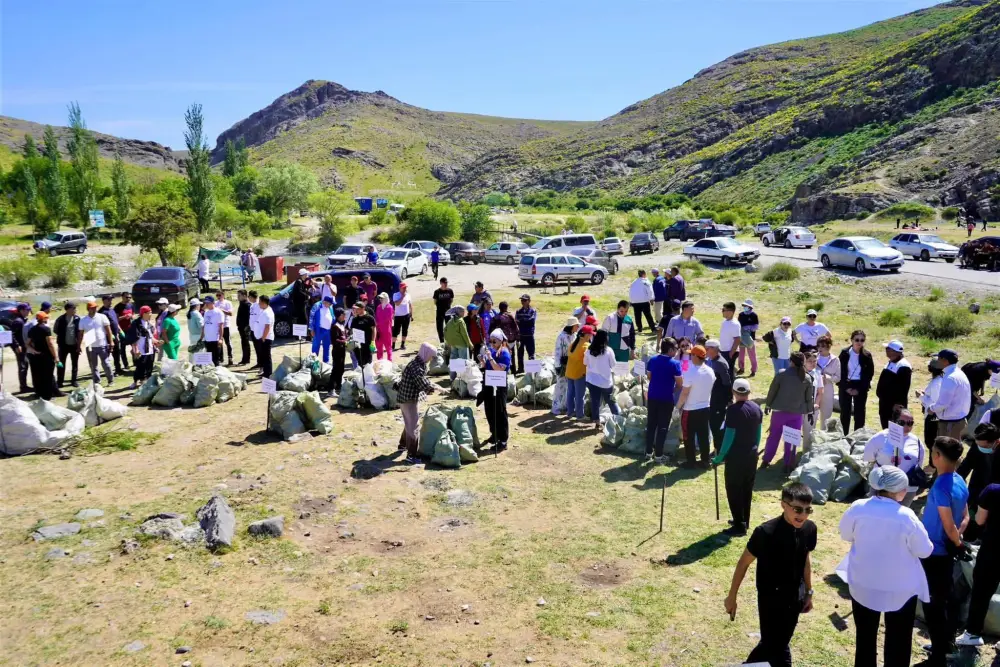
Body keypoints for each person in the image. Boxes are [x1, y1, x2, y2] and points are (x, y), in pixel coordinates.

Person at [838, 466, 933, 667]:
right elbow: (925, 550)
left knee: (865, 637)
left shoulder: (858, 507)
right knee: (898, 641)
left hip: (863, 584)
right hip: (899, 590)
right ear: (898, 490)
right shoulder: (906, 516)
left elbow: (845, 534)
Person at [723, 483, 816, 667]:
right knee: (777, 645)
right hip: (770, 598)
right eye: (797, 509)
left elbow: (805, 559)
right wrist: (732, 596)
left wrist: (809, 592)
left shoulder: (809, 529)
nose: (803, 515)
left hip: (795, 596)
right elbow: (743, 563)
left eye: (808, 510)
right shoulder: (765, 532)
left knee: (775, 642)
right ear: (783, 505)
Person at [920, 436, 970, 667]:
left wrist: (956, 542)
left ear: (938, 456)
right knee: (944, 599)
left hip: (935, 553)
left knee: (934, 607)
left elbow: (948, 523)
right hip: (946, 551)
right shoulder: (959, 480)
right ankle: (945, 644)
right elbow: (965, 517)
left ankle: (938, 656)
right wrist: (958, 538)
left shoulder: (941, 485)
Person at [712, 378, 764, 535]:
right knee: (747, 488)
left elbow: (729, 436)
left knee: (733, 489)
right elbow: (758, 434)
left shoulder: (733, 411)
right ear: (748, 392)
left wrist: (719, 457)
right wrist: (754, 448)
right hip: (751, 454)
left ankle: (739, 526)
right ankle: (743, 520)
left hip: (736, 457)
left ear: (734, 392)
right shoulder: (756, 408)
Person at [955, 475, 1000, 647]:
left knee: (981, 592)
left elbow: (980, 520)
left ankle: (973, 633)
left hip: (992, 550)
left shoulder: (993, 491)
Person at [763, 352, 815, 473]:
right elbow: (809, 398)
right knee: (791, 439)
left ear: (791, 361)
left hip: (779, 412)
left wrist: (768, 405)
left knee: (773, 436)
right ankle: (788, 464)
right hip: (796, 414)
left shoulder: (781, 374)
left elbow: (772, 391)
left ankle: (766, 460)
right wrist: (810, 412)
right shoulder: (807, 378)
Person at [862, 408, 925, 505]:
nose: (907, 426)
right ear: (894, 421)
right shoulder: (880, 437)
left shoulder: (916, 441)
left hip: (906, 489)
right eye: (902, 422)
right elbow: (869, 457)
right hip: (882, 486)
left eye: (910, 423)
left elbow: (919, 462)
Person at [398, 342, 439, 463]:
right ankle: (412, 455)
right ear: (426, 354)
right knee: (413, 426)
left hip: (404, 397)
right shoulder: (417, 367)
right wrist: (432, 389)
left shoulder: (418, 362)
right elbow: (421, 382)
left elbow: (423, 380)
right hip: (408, 399)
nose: (432, 359)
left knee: (408, 422)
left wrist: (433, 386)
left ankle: (402, 445)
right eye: (431, 356)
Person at [957, 422, 999, 542]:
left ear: (995, 442)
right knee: (971, 526)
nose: (980, 448)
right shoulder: (978, 445)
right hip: (976, 492)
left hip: (994, 497)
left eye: (984, 447)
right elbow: (966, 465)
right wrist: (955, 481)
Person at [677, 344, 715, 469]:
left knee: (688, 436)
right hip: (705, 407)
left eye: (691, 354)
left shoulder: (690, 372)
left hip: (690, 409)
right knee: (703, 435)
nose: (689, 356)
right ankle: (705, 460)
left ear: (695, 356)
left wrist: (677, 407)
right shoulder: (710, 371)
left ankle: (691, 461)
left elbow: (684, 392)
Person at [645, 337, 682, 463]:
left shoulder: (653, 359)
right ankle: (659, 455)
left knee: (651, 425)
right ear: (671, 349)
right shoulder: (675, 364)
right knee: (662, 427)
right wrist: (672, 390)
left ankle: (648, 452)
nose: (677, 350)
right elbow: (679, 383)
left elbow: (649, 376)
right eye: (676, 348)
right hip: (666, 398)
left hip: (652, 396)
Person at [927, 349, 971, 442]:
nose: (937, 360)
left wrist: (931, 409)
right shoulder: (959, 373)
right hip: (958, 421)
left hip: (950, 424)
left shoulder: (950, 378)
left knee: (947, 452)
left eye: (938, 358)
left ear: (945, 361)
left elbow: (943, 404)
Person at [838, 329, 875, 434]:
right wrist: (846, 387)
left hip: (860, 385)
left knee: (859, 413)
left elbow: (869, 374)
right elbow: (840, 371)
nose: (859, 342)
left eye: (862, 340)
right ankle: (844, 435)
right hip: (846, 384)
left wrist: (859, 389)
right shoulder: (844, 353)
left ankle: (858, 437)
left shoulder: (867, 355)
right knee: (845, 412)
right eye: (857, 340)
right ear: (852, 340)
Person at [480, 329, 511, 452]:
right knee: (490, 411)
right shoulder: (492, 351)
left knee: (500, 412)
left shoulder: (504, 353)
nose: (492, 344)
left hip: (499, 386)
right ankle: (494, 434)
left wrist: (489, 358)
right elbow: (486, 367)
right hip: (489, 383)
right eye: (490, 341)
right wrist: (482, 361)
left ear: (501, 341)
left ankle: (503, 440)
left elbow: (499, 369)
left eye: (494, 341)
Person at [584, 329, 620, 430]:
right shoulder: (608, 351)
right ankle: (617, 419)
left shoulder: (589, 350)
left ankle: (596, 421)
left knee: (595, 402)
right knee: (611, 401)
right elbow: (613, 365)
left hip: (592, 381)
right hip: (605, 382)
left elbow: (585, 362)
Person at [876, 340, 912, 429]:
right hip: (886, 403)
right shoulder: (891, 362)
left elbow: (904, 388)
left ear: (893, 351)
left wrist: (898, 403)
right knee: (885, 427)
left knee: (895, 430)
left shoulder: (904, 366)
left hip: (894, 406)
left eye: (888, 348)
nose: (886, 350)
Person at [704, 340, 733, 452]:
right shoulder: (711, 361)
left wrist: (729, 399)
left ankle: (720, 450)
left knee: (717, 426)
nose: (705, 350)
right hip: (713, 398)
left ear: (715, 349)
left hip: (719, 401)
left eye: (707, 348)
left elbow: (727, 383)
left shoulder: (720, 363)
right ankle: (717, 449)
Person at [80, 299, 115, 386]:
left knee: (106, 363)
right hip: (90, 345)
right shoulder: (83, 320)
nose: (94, 309)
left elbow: (108, 330)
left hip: (102, 344)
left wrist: (111, 341)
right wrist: (79, 345)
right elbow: (80, 334)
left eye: (95, 308)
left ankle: (110, 380)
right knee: (93, 365)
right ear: (88, 309)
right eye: (92, 308)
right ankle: (97, 381)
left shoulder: (102, 317)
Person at [26, 312, 58, 400]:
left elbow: (27, 344)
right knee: (48, 375)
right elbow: (50, 344)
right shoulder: (46, 329)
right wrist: (56, 357)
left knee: (38, 375)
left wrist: (34, 351)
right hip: (47, 355)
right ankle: (48, 396)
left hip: (37, 356)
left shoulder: (32, 329)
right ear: (44, 319)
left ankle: (39, 394)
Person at [565, 325, 594, 420]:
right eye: (590, 334)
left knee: (570, 393)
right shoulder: (586, 346)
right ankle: (580, 415)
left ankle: (569, 412)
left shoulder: (573, 343)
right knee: (579, 396)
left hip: (570, 372)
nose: (591, 336)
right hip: (579, 374)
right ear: (586, 335)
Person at [552, 317, 578, 416]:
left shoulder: (575, 335)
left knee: (569, 386)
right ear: (572, 326)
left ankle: (566, 405)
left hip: (571, 365)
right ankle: (555, 407)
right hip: (563, 365)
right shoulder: (561, 337)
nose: (578, 327)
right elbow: (558, 351)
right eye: (576, 325)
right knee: (560, 386)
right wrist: (557, 366)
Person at [53, 303, 82, 389]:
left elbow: (80, 331)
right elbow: (55, 330)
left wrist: (78, 345)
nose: (75, 310)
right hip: (63, 345)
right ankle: (60, 382)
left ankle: (74, 381)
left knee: (75, 364)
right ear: (68, 309)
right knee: (61, 364)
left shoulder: (77, 318)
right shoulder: (60, 319)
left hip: (74, 345)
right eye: (74, 308)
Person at [128, 306, 157, 390]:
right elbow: (133, 338)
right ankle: (135, 381)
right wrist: (135, 350)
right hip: (140, 349)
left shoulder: (149, 324)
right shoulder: (136, 324)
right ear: (143, 314)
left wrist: (156, 342)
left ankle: (147, 382)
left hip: (150, 349)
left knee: (149, 367)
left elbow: (150, 337)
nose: (151, 314)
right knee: (140, 367)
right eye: (149, 312)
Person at [98, 295, 128, 375]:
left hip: (115, 335)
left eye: (111, 300)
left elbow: (115, 322)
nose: (111, 301)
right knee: (107, 355)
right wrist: (110, 334)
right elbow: (101, 326)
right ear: (104, 301)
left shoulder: (112, 310)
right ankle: (108, 371)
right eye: (109, 300)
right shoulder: (101, 312)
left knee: (116, 353)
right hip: (107, 337)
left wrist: (120, 330)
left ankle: (118, 369)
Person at [801, 350, 824, 451]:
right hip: (798, 408)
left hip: (812, 408)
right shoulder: (798, 373)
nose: (813, 363)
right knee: (795, 432)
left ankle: (806, 452)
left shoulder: (818, 374)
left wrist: (816, 404)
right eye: (810, 361)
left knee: (809, 433)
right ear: (804, 362)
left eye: (814, 361)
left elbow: (820, 391)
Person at [815, 335, 840, 424]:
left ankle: (823, 436)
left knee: (826, 417)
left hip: (828, 389)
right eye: (818, 346)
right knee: (812, 415)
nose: (820, 348)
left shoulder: (835, 360)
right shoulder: (813, 357)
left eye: (823, 346)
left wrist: (828, 377)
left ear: (829, 346)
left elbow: (838, 378)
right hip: (814, 389)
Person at [444, 305, 473, 381]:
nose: (464, 313)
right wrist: (469, 344)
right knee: (463, 362)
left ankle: (452, 378)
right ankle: (463, 379)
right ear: (459, 312)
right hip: (462, 344)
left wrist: (448, 341)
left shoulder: (450, 321)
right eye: (463, 311)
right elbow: (465, 334)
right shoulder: (461, 321)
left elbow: (445, 331)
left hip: (453, 344)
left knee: (454, 361)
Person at [10, 303, 31, 392]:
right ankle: (23, 387)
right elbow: (11, 334)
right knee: (23, 365)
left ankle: (24, 385)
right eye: (27, 310)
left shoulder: (22, 319)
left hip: (23, 346)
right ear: (21, 310)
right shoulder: (18, 321)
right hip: (20, 347)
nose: (29, 311)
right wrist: (16, 345)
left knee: (25, 365)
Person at [737, 299, 760, 378]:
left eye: (746, 306)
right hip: (742, 337)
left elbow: (756, 327)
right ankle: (741, 368)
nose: (744, 307)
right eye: (744, 306)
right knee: (741, 354)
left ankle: (753, 370)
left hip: (750, 339)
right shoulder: (741, 315)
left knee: (752, 355)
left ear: (750, 307)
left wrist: (748, 327)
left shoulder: (754, 315)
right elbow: (738, 325)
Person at [327, 307, 348, 395]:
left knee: (341, 369)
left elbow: (343, 336)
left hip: (342, 350)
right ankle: (331, 389)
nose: (345, 316)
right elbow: (334, 341)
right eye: (343, 315)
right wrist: (344, 341)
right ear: (339, 316)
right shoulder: (335, 326)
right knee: (335, 369)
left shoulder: (342, 324)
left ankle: (339, 387)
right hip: (337, 351)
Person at [514, 294, 536, 375]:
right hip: (520, 336)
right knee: (520, 353)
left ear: (529, 301)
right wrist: (524, 321)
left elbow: (531, 322)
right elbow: (516, 322)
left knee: (531, 353)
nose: (522, 302)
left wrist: (522, 321)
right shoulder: (518, 311)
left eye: (524, 300)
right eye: (522, 300)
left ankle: (532, 371)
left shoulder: (533, 311)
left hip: (529, 335)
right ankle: (520, 369)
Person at [253, 295, 275, 377]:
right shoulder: (265, 310)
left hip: (266, 338)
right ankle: (265, 372)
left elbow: (267, 327)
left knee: (266, 356)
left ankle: (268, 373)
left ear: (263, 302)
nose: (258, 304)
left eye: (259, 302)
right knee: (264, 356)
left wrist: (263, 338)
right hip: (263, 337)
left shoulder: (267, 313)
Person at [718, 302, 741, 378]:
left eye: (724, 310)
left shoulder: (734, 324)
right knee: (723, 371)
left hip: (729, 352)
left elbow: (737, 339)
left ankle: (730, 388)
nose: (722, 311)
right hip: (723, 350)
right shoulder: (724, 322)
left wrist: (731, 353)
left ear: (730, 312)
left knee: (729, 372)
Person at [350, 301, 376, 368]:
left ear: (363, 308)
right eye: (355, 309)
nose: (356, 310)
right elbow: (352, 331)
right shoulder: (355, 319)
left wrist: (373, 341)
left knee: (368, 364)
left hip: (367, 345)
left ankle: (368, 377)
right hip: (358, 346)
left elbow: (373, 330)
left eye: (357, 309)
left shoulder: (370, 318)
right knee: (360, 363)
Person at [310, 296, 334, 363]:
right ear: (325, 302)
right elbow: (311, 317)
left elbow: (333, 316)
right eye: (329, 304)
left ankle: (326, 362)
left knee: (327, 347)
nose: (330, 305)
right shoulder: (317, 305)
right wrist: (311, 329)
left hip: (328, 330)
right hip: (319, 330)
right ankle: (314, 362)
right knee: (315, 347)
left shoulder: (330, 307)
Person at [201, 296, 224, 366]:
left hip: (215, 339)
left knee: (215, 359)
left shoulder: (218, 312)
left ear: (213, 303)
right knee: (209, 360)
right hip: (207, 339)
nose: (206, 304)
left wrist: (220, 338)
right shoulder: (206, 312)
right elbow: (204, 325)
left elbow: (221, 326)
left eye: (208, 303)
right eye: (206, 303)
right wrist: (202, 336)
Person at [392, 282, 413, 351]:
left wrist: (411, 314)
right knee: (396, 331)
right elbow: (397, 304)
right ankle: (393, 345)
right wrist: (402, 296)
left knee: (405, 330)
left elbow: (410, 304)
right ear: (400, 288)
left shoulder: (408, 295)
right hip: (398, 316)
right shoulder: (396, 295)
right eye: (403, 288)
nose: (405, 289)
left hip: (406, 315)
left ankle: (402, 344)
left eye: (405, 287)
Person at [372, 293, 394, 361]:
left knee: (388, 347)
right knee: (379, 348)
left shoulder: (390, 307)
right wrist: (376, 325)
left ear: (386, 299)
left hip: (387, 331)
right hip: (379, 330)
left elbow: (387, 319)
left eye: (382, 298)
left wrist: (377, 323)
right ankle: (380, 361)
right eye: (380, 298)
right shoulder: (378, 307)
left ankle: (389, 362)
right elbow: (376, 317)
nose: (380, 299)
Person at [215, 290, 234, 365]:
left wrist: (222, 310)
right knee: (219, 341)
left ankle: (230, 357)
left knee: (227, 341)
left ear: (223, 295)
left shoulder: (227, 303)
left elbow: (230, 313)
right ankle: (220, 358)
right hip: (218, 325)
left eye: (219, 295)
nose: (218, 297)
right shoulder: (216, 303)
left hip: (226, 325)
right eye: (217, 295)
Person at [432, 278, 454, 343]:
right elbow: (435, 302)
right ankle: (442, 342)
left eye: (446, 283)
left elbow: (451, 300)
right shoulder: (437, 292)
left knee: (449, 327)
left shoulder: (450, 291)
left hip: (448, 312)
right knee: (439, 327)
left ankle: (449, 341)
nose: (445, 284)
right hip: (439, 312)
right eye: (444, 283)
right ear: (441, 283)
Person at [235, 290, 252, 365]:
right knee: (243, 343)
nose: (238, 297)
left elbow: (249, 317)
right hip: (241, 327)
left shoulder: (247, 304)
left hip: (245, 327)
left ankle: (246, 359)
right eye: (237, 295)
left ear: (245, 296)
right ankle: (244, 358)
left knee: (245, 343)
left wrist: (247, 327)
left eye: (239, 295)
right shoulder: (242, 303)